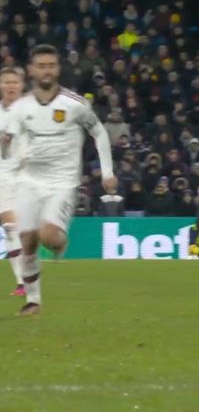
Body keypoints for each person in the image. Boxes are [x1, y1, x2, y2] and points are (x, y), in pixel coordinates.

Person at [3, 45, 116, 315]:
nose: (46, 70)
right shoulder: (22, 107)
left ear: (58, 68)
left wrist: (108, 172)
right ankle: (33, 301)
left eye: (51, 65)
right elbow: (7, 149)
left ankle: (58, 243)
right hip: (29, 181)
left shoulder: (74, 104)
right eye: (41, 65)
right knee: (27, 239)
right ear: (31, 71)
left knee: (48, 237)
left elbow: (99, 133)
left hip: (62, 182)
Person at [0, 67, 26, 297]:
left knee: (12, 227)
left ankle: (23, 281)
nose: (10, 85)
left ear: (20, 85)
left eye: (14, 82)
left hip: (20, 175)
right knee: (10, 229)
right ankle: (21, 282)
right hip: (3, 175)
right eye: (6, 81)